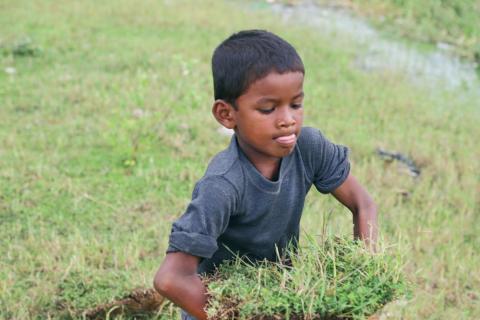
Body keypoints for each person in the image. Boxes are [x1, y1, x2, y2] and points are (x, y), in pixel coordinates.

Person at [153, 29, 377, 320]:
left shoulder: (309, 148)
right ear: (226, 115)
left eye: (296, 104)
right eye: (268, 108)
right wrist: (242, 315)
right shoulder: (223, 185)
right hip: (220, 304)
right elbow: (171, 279)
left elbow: (363, 204)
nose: (288, 120)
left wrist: (365, 277)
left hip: (276, 295)